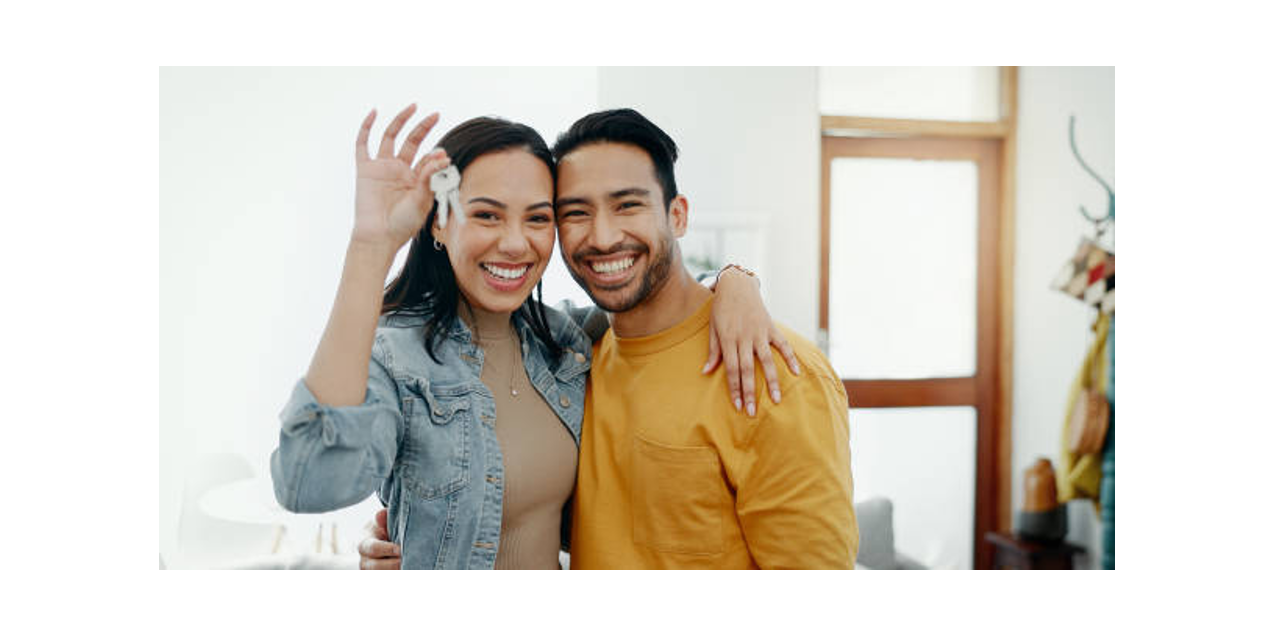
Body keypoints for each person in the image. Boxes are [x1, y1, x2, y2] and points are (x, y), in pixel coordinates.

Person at [271, 105, 794, 570]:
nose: (515, 243)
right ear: (438, 223)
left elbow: (654, 307)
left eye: (539, 218)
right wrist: (372, 245)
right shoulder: (398, 356)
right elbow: (309, 484)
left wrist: (734, 282)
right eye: (486, 215)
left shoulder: (565, 342)